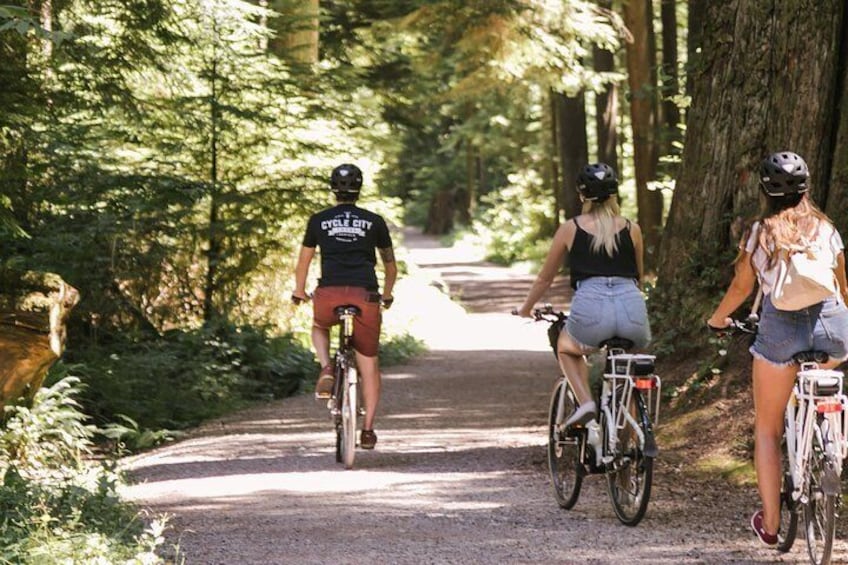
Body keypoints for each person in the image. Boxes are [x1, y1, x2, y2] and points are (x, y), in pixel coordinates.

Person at [707, 151, 848, 546]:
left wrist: (717, 319)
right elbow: (843, 288)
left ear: (765, 190)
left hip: (782, 331)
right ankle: (830, 438)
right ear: (806, 187)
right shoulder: (826, 228)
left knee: (767, 430)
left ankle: (770, 524)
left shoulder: (760, 231)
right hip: (833, 329)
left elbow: (741, 288)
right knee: (827, 376)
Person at [517, 162, 651, 426]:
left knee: (566, 348)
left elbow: (545, 277)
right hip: (631, 310)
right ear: (614, 195)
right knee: (629, 369)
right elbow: (638, 276)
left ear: (582, 196)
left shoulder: (571, 228)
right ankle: (635, 446)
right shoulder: (632, 228)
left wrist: (526, 308)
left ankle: (586, 403)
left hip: (591, 310)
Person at [292, 163, 397, 450]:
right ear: (359, 189)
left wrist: (299, 291)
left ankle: (326, 366)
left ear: (333, 189)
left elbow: (304, 262)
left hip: (329, 293)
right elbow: (390, 265)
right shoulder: (374, 221)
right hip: (366, 296)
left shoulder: (318, 220)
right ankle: (367, 429)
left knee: (319, 325)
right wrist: (387, 294)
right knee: (369, 365)